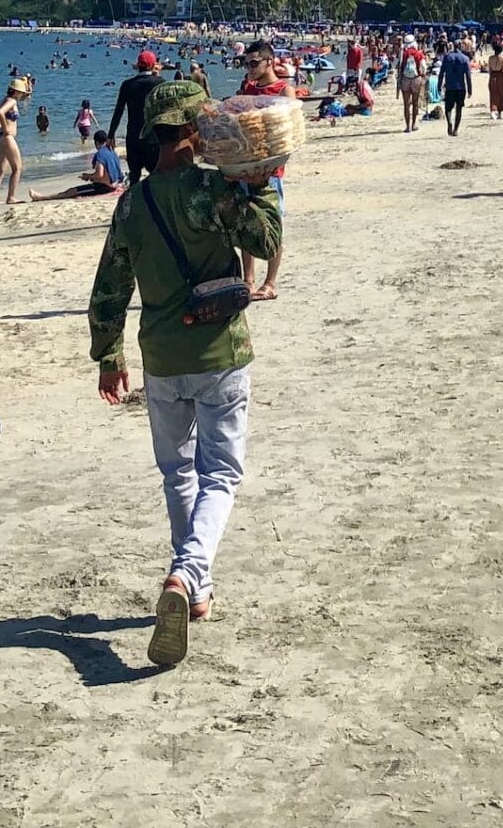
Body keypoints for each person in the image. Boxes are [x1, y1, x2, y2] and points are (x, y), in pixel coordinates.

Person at [87, 80, 282, 668]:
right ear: (199, 133)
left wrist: (108, 355)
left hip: (162, 360)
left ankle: (196, 592)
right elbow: (267, 239)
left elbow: (110, 287)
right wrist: (259, 181)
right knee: (220, 474)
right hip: (220, 351)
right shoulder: (212, 189)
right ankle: (185, 575)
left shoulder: (132, 202)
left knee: (178, 473)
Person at [231, 45, 292, 301]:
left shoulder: (283, 90)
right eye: (246, 64)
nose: (249, 69)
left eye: (254, 63)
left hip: (271, 169)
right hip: (246, 166)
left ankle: (270, 283)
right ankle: (248, 279)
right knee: (246, 224)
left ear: (269, 62)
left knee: (272, 223)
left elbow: (287, 132)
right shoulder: (247, 89)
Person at [107, 50, 163, 187]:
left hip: (133, 137)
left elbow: (118, 111)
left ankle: (132, 205)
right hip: (153, 137)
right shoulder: (160, 83)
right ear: (152, 66)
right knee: (155, 175)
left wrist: (111, 135)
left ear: (138, 66)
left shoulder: (127, 85)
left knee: (134, 176)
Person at [40, 130, 128, 200]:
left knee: (72, 191)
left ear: (96, 142)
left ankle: (42, 197)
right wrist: (91, 177)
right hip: (115, 184)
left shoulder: (100, 154)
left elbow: (100, 175)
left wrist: (88, 176)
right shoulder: (112, 152)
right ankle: (42, 197)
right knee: (74, 190)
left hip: (105, 188)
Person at [0, 76, 31, 206]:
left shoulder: (6, 99)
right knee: (17, 168)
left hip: (0, 138)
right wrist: (5, 128)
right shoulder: (12, 101)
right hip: (7, 137)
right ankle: (11, 197)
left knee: (0, 171)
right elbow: (0, 113)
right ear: (17, 92)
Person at [437, 39, 474, 137]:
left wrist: (439, 85)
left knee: (448, 107)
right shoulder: (465, 58)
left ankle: (449, 122)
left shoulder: (447, 57)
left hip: (450, 86)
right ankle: (456, 129)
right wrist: (470, 89)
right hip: (461, 87)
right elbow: (468, 76)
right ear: (461, 46)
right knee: (459, 109)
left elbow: (441, 73)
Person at [396, 40, 427, 133]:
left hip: (405, 79)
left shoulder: (404, 53)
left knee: (406, 104)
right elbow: (424, 68)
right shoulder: (419, 53)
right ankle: (413, 124)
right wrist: (423, 76)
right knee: (415, 102)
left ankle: (407, 126)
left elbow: (399, 66)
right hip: (416, 79)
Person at [485, 35, 503, 123]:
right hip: (500, 76)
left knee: (492, 94)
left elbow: (490, 70)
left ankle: (492, 110)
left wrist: (490, 78)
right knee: (501, 94)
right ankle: (499, 112)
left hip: (493, 76)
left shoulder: (490, 58)